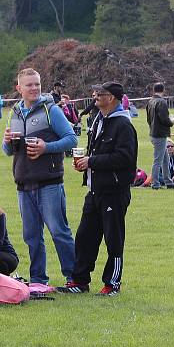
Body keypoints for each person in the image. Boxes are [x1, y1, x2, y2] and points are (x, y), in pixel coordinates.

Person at [2, 68, 77, 285]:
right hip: (24, 184)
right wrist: (7, 141)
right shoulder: (14, 112)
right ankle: (38, 280)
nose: (34, 88)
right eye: (29, 85)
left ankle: (74, 278)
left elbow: (71, 139)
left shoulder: (50, 110)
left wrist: (47, 147)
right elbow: (7, 151)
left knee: (58, 231)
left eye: (37, 84)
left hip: (49, 182)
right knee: (32, 236)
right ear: (19, 89)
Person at [61, 82, 137, 296]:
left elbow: (125, 158)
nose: (95, 96)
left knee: (114, 239)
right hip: (95, 190)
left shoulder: (122, 124)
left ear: (112, 98)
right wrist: (85, 165)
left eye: (100, 93)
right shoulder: (98, 119)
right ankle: (80, 281)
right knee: (85, 237)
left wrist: (91, 161)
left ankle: (112, 284)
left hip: (114, 191)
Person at [146, 82, 174, 189]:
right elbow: (164, 119)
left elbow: (149, 119)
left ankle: (168, 181)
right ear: (163, 90)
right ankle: (155, 183)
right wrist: (171, 122)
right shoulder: (161, 102)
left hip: (153, 132)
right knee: (158, 160)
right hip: (160, 134)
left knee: (165, 159)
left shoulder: (150, 101)